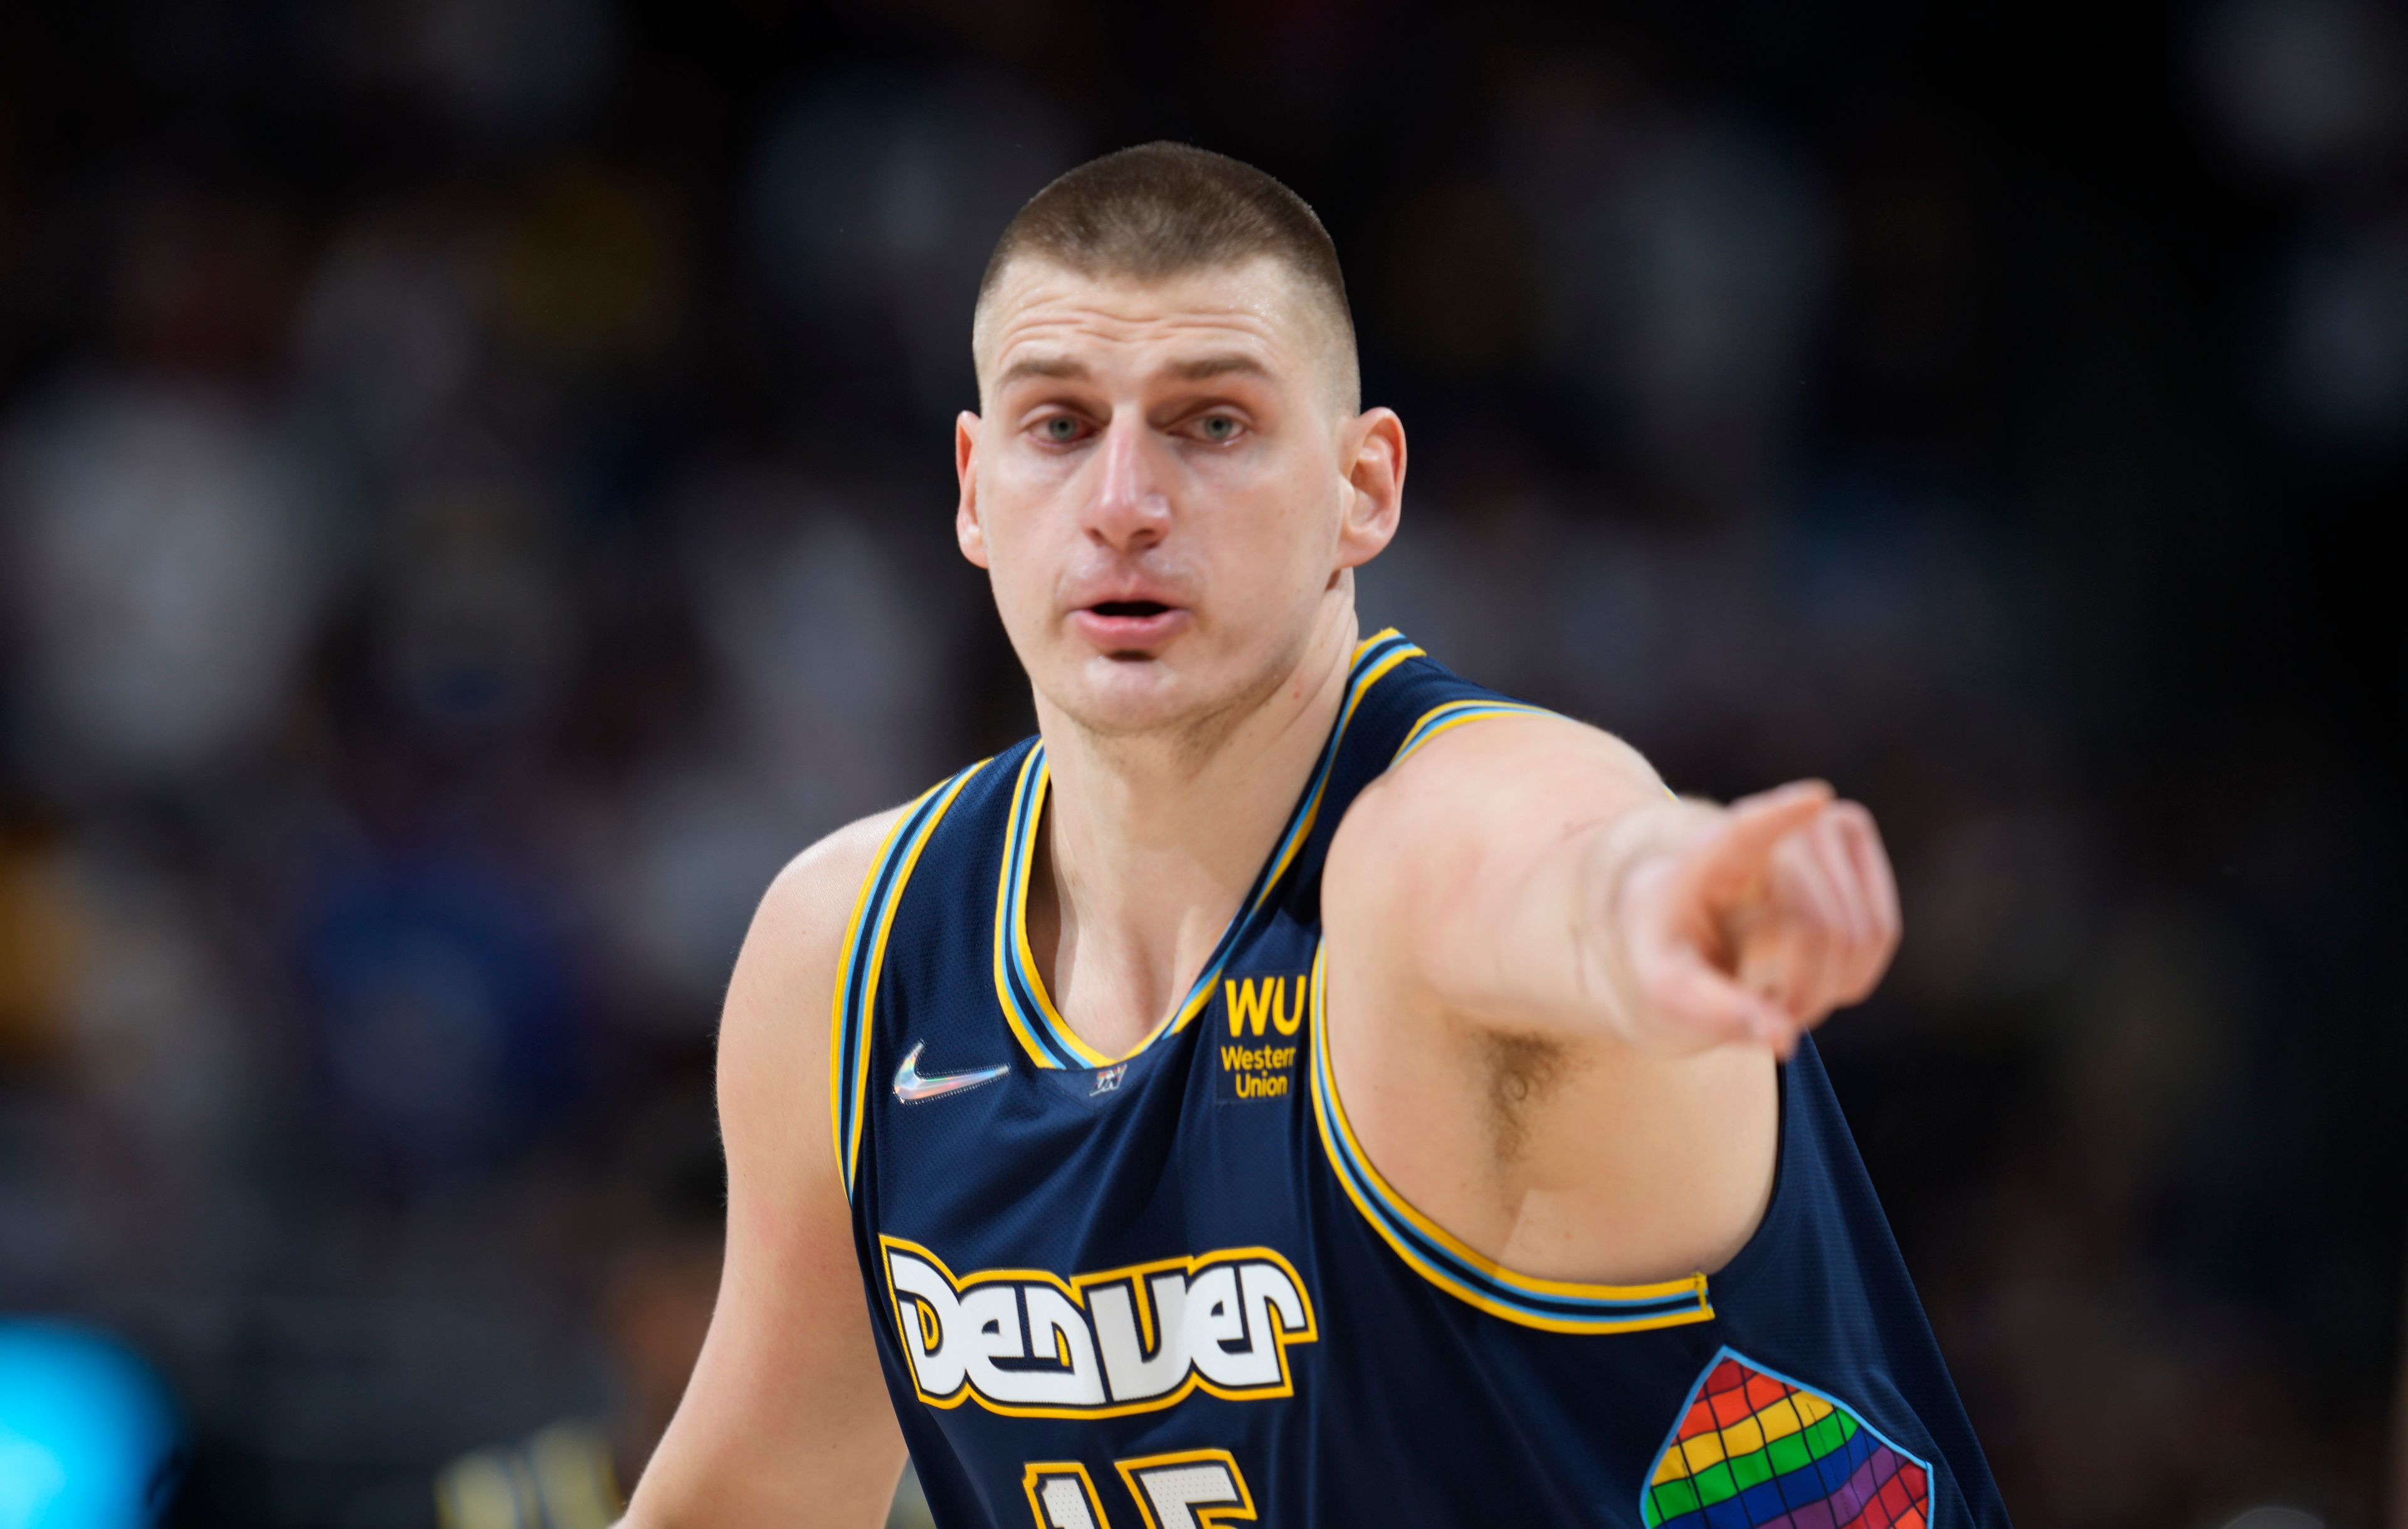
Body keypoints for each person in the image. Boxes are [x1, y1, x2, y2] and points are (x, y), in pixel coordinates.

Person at [623, 142, 2010, 1528]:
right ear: (976, 490)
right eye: (1059, 426)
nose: (1122, 504)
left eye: (1211, 424)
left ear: (1365, 487)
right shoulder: (854, 956)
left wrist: (1666, 900)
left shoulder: (1428, 839)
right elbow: (753, 1493)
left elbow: (1552, 871)